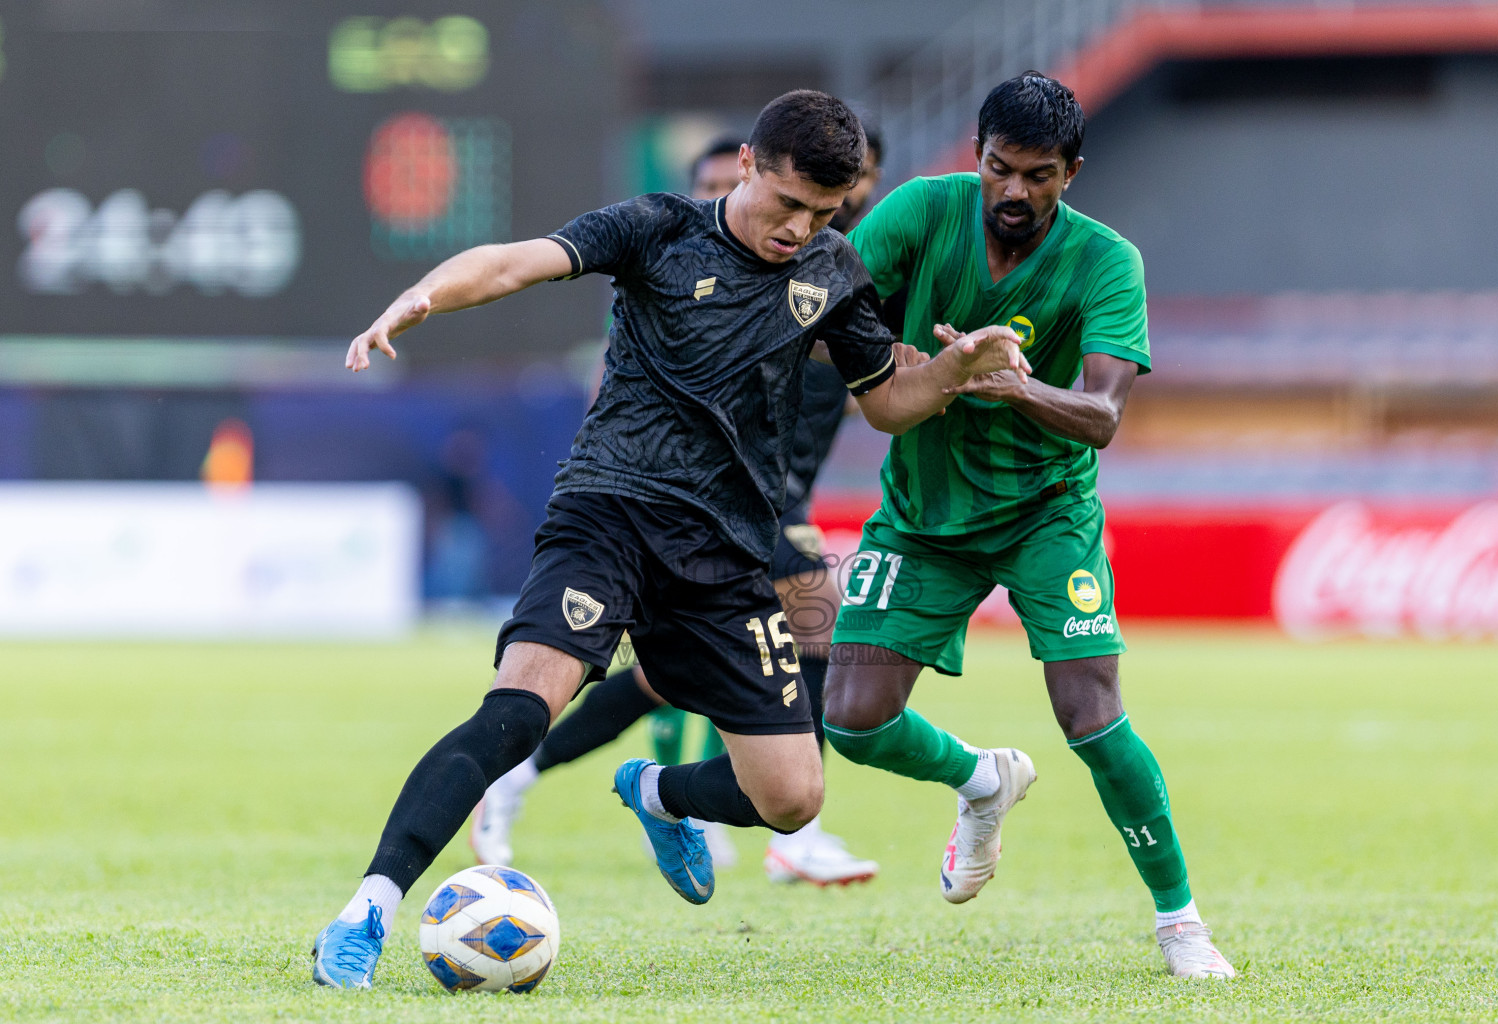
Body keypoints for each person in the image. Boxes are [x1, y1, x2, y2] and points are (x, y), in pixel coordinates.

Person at [311, 89, 1026, 989]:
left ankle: (655, 794)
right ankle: (368, 909)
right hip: (609, 512)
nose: (799, 229)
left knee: (795, 800)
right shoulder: (655, 228)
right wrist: (422, 295)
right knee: (520, 710)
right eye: (788, 203)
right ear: (749, 167)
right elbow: (513, 263)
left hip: (728, 558)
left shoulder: (836, 271)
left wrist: (957, 370)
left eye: (823, 213)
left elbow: (887, 401)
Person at [820, 73, 1238, 980]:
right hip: (924, 514)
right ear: (977, 155)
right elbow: (824, 299)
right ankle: (981, 779)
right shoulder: (921, 212)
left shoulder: (1105, 261)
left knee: (1091, 716)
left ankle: (1180, 923)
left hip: (1048, 511)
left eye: (1038, 176)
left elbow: (1102, 416)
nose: (1015, 193)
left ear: (1072, 172)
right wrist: (886, 354)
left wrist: (1014, 386)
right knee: (850, 720)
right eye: (1001, 170)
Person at [468, 129, 891, 886]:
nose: (835, 207)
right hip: (717, 502)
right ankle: (791, 826)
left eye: (848, 193)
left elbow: (877, 390)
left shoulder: (835, 273)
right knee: (819, 613)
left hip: (751, 504)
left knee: (671, 677)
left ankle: (539, 774)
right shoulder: (688, 260)